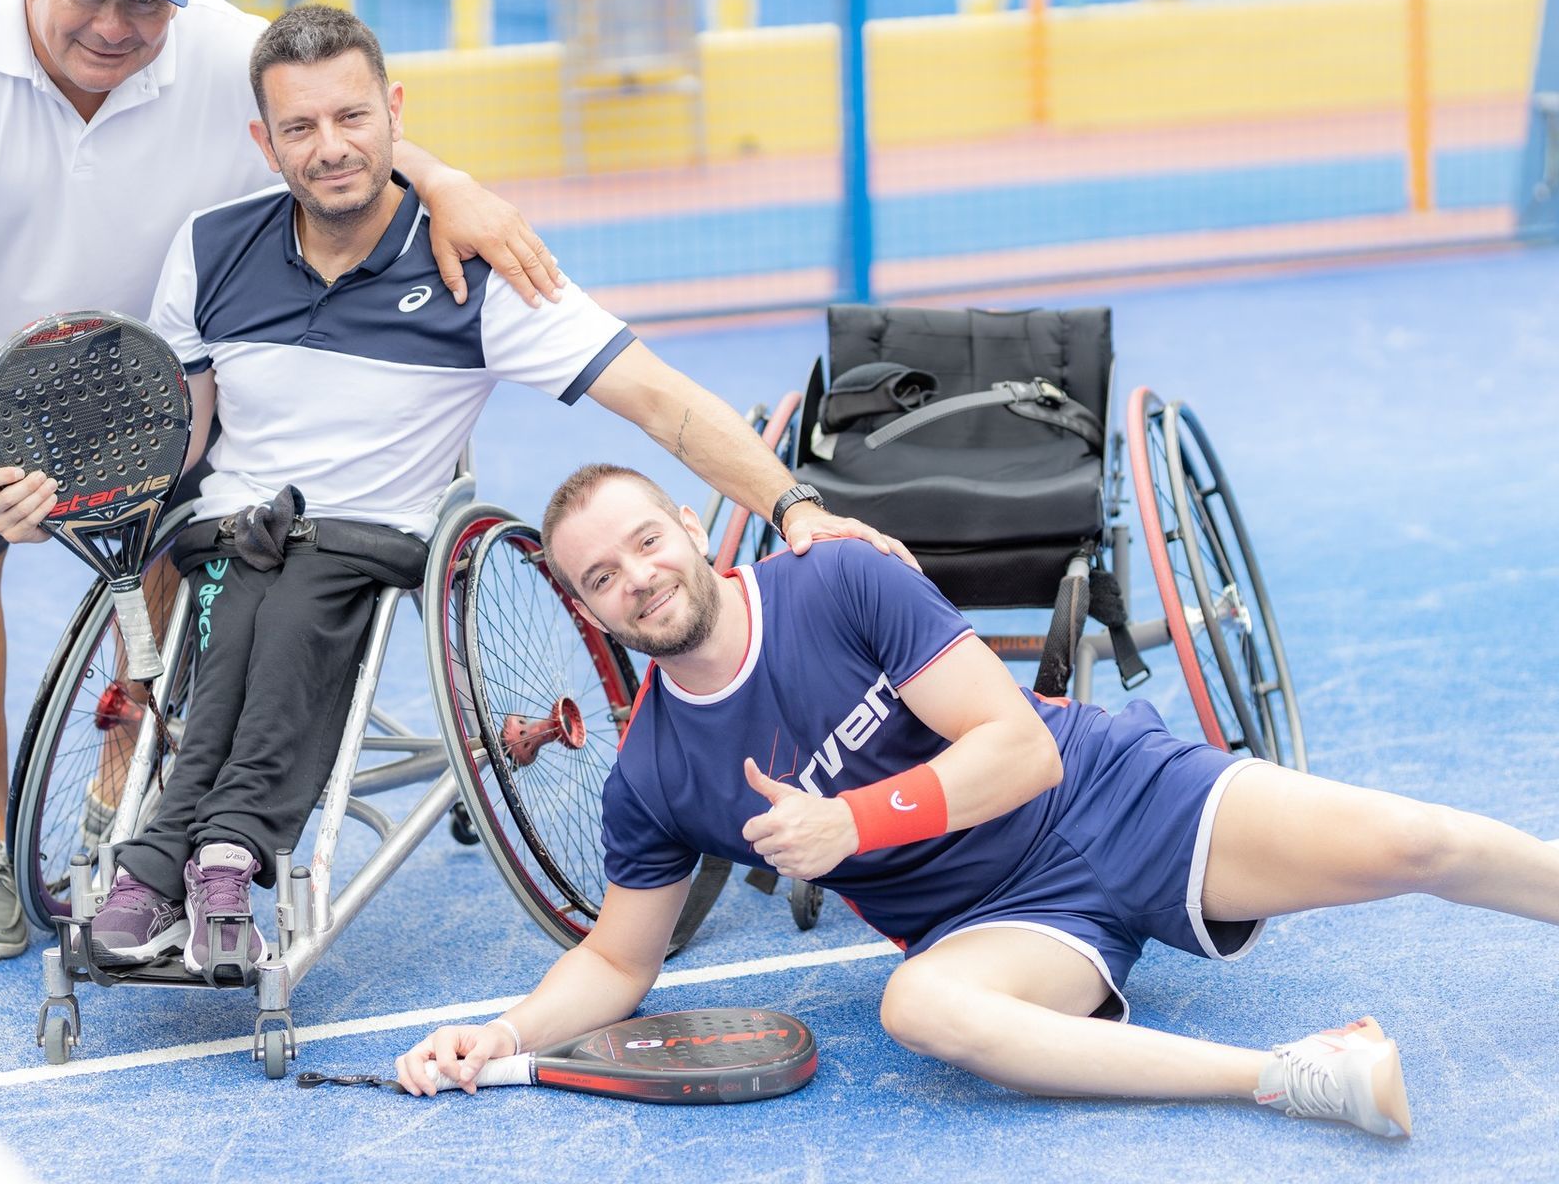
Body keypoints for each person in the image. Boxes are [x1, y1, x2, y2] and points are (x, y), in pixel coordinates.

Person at [0, 4, 909, 983]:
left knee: (287, 606)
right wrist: (55, 507)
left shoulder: (481, 270)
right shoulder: (209, 248)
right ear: (264, 142)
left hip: (368, 535)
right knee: (236, 604)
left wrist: (795, 507)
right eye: (300, 127)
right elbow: (179, 443)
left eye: (352, 117)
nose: (330, 147)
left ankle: (203, 860)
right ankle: (185, 863)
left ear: (394, 113)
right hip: (235, 534)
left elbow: (659, 400)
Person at [0, 0, 572, 960]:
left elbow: (339, 124)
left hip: (122, 357)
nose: (116, 24)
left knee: (180, 538)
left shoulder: (218, 47)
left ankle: (123, 786)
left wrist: (447, 185)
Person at [396, 462, 1559, 1138]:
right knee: (921, 1007)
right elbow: (617, 959)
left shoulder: (835, 580)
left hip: (1112, 798)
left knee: (1416, 839)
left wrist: (850, 823)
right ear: (589, 610)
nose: (638, 577)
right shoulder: (654, 771)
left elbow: (1020, 751)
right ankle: (1294, 1070)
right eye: (602, 576)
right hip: (1001, 927)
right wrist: (502, 1032)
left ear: (691, 528)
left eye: (647, 540)